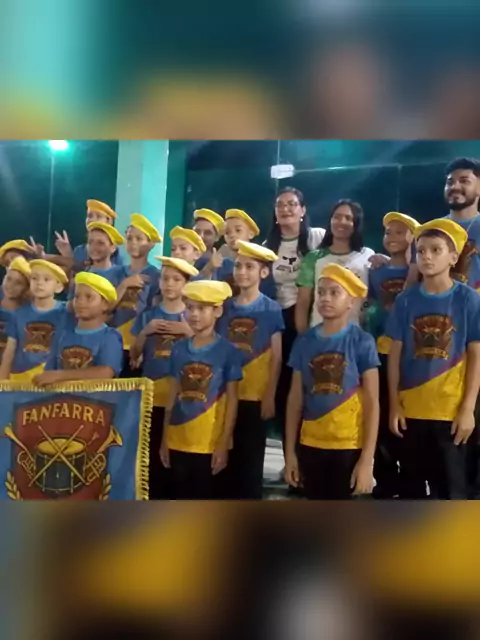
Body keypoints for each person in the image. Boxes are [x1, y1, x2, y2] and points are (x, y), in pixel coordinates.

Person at [386, 219, 480, 499]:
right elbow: (394, 355)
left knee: (452, 492)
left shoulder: (468, 300)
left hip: (450, 413)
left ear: (453, 257)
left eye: (436, 250)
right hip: (411, 411)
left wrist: (468, 409)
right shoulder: (405, 300)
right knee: (411, 493)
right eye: (421, 250)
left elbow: (476, 356)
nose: (426, 256)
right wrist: (394, 405)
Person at [284, 263, 380, 500]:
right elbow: (295, 400)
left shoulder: (362, 342)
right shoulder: (305, 342)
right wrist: (290, 454)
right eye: (321, 292)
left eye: (335, 292)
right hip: (310, 443)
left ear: (350, 302)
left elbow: (372, 403)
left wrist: (367, 460)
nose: (326, 298)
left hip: (349, 446)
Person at [160, 280, 243, 500]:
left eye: (201, 308)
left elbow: (232, 400)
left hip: (209, 443)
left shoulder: (228, 352)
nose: (194, 314)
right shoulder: (178, 349)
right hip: (178, 439)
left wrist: (224, 442)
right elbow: (172, 396)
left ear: (217, 311)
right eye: (190, 308)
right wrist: (165, 438)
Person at [217, 241, 284, 499]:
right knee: (225, 457)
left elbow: (276, 356)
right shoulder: (224, 307)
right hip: (226, 395)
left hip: (255, 395)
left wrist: (270, 394)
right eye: (238, 266)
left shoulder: (271, 309)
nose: (242, 272)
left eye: (249, 267)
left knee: (251, 461)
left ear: (263, 272)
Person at [130, 256, 198, 500]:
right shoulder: (148, 315)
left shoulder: (193, 317)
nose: (169, 284)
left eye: (176, 280)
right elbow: (134, 355)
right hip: (152, 399)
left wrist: (188, 332)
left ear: (186, 284)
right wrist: (145, 332)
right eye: (165, 278)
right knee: (151, 459)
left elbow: (204, 353)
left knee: (177, 458)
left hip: (182, 400)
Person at [263, 187, 325, 446]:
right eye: (280, 205)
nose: (285, 209)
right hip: (279, 319)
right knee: (284, 385)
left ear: (302, 210)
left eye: (291, 204)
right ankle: (289, 453)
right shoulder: (268, 246)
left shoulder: (318, 236)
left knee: (309, 384)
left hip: (310, 316)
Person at [368, 212, 419, 499]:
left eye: (401, 232)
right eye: (388, 232)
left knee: (408, 419)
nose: (392, 237)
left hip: (411, 356)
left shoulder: (421, 273)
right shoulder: (376, 271)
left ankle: (411, 480)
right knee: (382, 415)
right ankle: (386, 478)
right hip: (380, 353)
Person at [295, 199, 375, 333]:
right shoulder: (314, 258)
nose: (341, 222)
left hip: (356, 334)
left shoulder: (368, 255)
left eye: (348, 218)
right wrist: (303, 336)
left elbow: (373, 297)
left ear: (356, 224)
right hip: (319, 334)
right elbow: (303, 301)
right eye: (337, 217)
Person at [33, 272, 123, 385]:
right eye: (77, 296)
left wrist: (60, 375)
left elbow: (105, 372)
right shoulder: (62, 336)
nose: (80, 301)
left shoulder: (109, 336)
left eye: (88, 297)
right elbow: (48, 373)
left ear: (105, 304)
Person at [0, 259, 69, 382]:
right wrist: (2, 382)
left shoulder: (66, 313)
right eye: (34, 278)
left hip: (51, 379)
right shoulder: (19, 313)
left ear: (58, 287)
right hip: (20, 378)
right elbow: (9, 352)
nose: (39, 283)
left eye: (46, 279)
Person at [110, 214, 162, 370]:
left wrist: (141, 343)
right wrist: (125, 284)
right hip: (114, 340)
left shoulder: (156, 276)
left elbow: (153, 312)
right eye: (130, 238)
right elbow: (106, 306)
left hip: (138, 341)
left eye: (139, 239)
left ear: (151, 244)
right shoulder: (116, 273)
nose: (133, 242)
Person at [55, 199, 125, 270]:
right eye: (90, 216)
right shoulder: (79, 250)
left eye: (98, 216)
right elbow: (76, 272)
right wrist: (68, 254)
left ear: (109, 221)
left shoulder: (116, 255)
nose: (92, 220)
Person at [0, 257, 31, 361]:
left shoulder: (27, 314)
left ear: (27, 288)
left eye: (18, 283)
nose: (11, 285)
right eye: (8, 279)